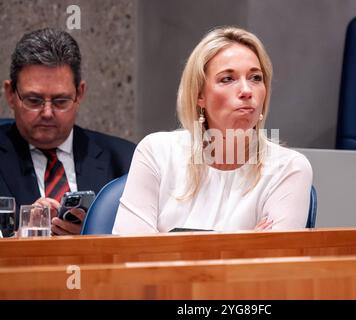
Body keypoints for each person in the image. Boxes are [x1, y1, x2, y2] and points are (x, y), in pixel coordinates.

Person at [113, 26, 312, 234]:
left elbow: (273, 262)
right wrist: (243, 245)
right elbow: (132, 253)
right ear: (200, 95)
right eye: (228, 79)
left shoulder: (288, 168)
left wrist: (168, 246)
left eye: (255, 78)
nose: (246, 90)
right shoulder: (157, 152)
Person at [0, 28, 136, 235]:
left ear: (79, 94)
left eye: (60, 101)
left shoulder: (124, 160)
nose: (47, 113)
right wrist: (18, 239)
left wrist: (93, 233)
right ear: (10, 94)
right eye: (34, 100)